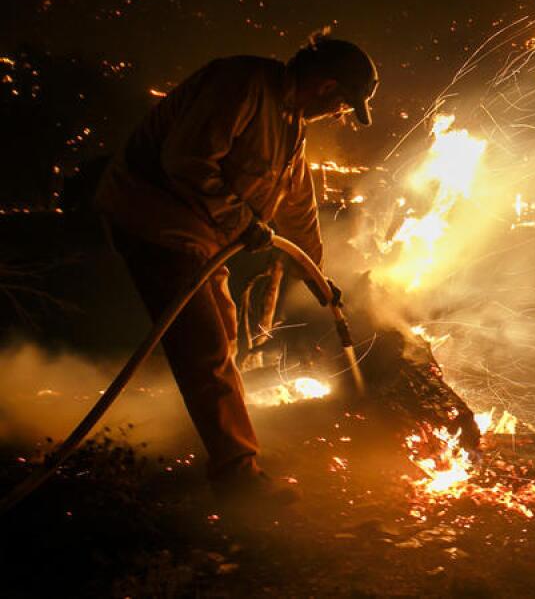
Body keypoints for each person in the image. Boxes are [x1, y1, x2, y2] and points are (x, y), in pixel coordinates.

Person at [95, 32, 378, 509]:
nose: (340, 115)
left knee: (223, 335)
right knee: (205, 346)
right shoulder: (244, 83)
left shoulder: (291, 124)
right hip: (156, 222)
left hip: (200, 237)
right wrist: (242, 220)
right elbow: (186, 159)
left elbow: (298, 210)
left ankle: (214, 443)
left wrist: (318, 280)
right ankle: (237, 476)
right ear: (328, 88)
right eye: (344, 105)